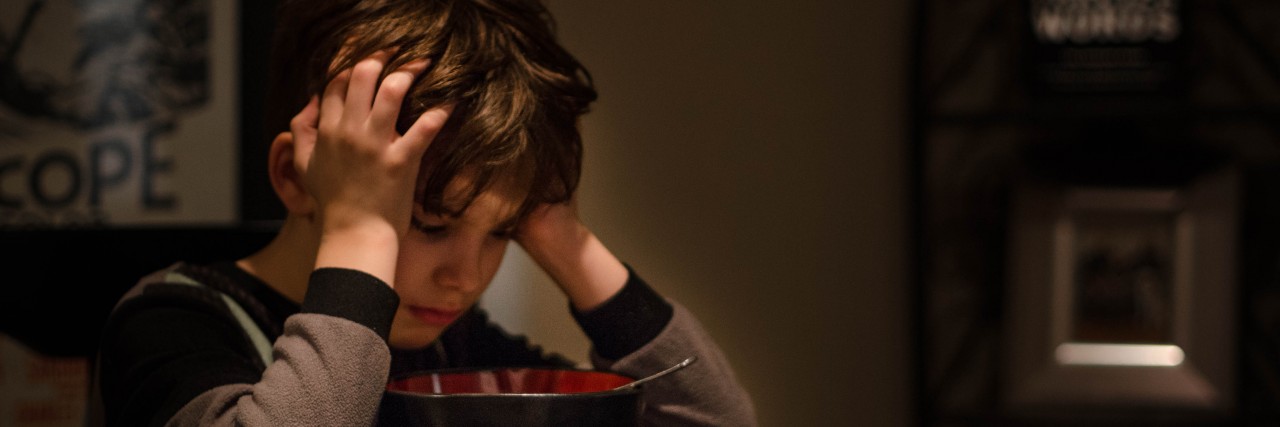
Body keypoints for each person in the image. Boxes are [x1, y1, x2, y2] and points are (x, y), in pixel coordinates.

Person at [89, 0, 756, 425]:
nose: (465, 277)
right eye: (430, 224)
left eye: (502, 232)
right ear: (296, 177)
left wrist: (562, 235)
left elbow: (713, 419)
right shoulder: (173, 322)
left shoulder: (451, 346)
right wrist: (361, 234)